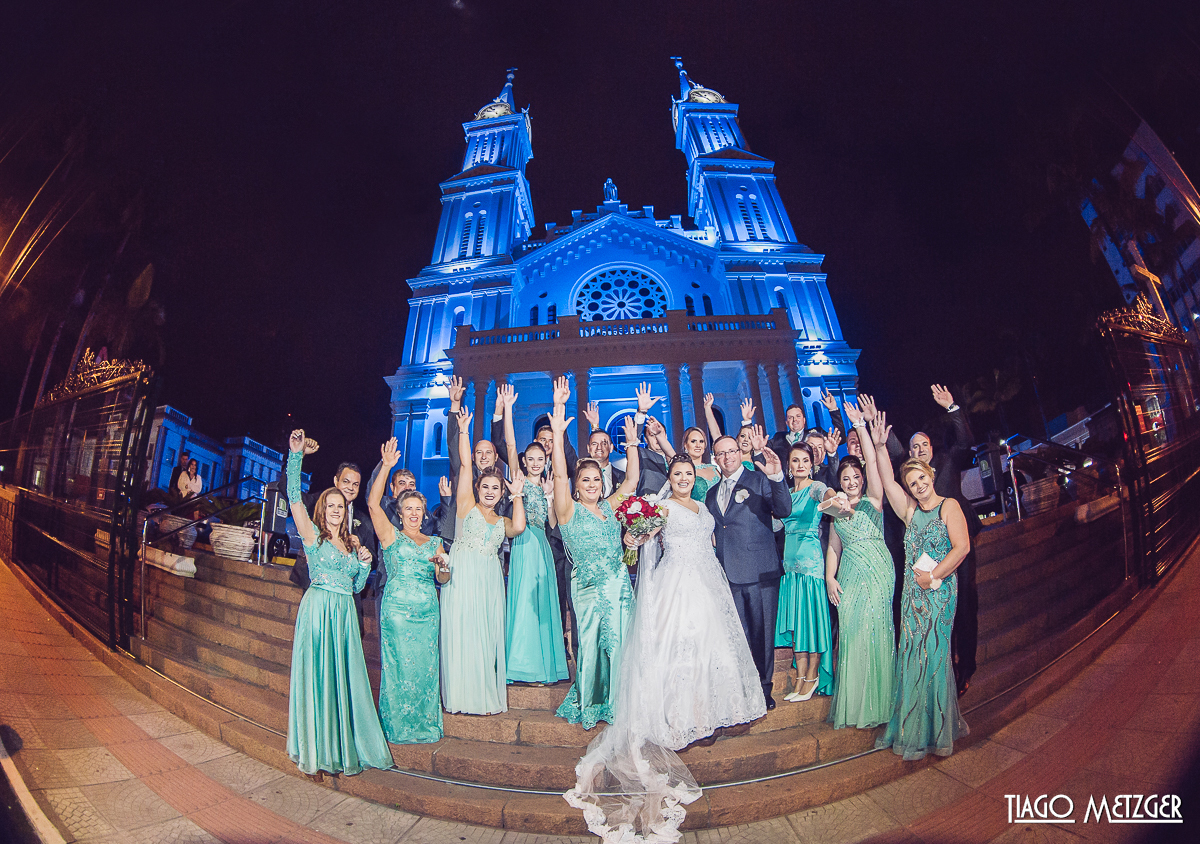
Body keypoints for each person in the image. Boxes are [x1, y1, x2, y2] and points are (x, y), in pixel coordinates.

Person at [564, 454, 765, 841]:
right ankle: (683, 717)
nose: (685, 478)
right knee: (682, 653)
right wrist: (632, 537)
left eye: (689, 473)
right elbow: (639, 536)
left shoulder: (701, 505)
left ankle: (712, 712)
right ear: (669, 478)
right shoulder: (662, 506)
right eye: (678, 474)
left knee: (713, 652)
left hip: (709, 583)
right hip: (678, 584)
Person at [283, 429, 392, 780]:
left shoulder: (352, 544)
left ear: (346, 510)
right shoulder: (314, 537)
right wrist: (296, 456)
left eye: (339, 506)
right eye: (329, 505)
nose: (334, 510)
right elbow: (293, 497)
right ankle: (317, 748)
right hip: (319, 613)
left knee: (343, 680)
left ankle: (343, 743)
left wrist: (362, 564)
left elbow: (359, 586)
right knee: (319, 678)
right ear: (323, 509)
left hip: (345, 614)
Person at [873, 411, 971, 760]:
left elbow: (962, 547)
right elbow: (887, 483)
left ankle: (938, 729)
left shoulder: (949, 506)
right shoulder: (910, 513)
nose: (918, 486)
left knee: (936, 655)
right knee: (913, 655)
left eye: (921, 479)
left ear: (930, 476)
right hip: (912, 596)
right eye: (912, 483)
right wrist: (881, 447)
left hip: (940, 593)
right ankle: (913, 726)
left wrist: (934, 576)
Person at [550, 399, 641, 728]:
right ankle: (592, 701)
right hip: (587, 588)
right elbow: (559, 474)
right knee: (591, 645)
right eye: (585, 480)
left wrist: (632, 442)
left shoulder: (611, 506)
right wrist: (559, 435)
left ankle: (620, 700)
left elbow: (631, 480)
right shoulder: (568, 510)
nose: (592, 485)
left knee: (620, 642)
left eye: (596, 481)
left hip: (619, 585)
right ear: (577, 485)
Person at [439, 408, 526, 715]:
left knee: (485, 636)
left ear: (501, 491)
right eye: (485, 487)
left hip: (489, 580)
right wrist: (464, 430)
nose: (490, 491)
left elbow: (519, 528)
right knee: (464, 632)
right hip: (463, 578)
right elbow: (465, 463)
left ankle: (483, 694)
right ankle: (463, 695)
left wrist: (517, 496)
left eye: (495, 488)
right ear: (478, 488)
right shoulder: (464, 505)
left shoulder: (502, 519)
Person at [366, 437, 448, 744]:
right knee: (399, 668)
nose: (414, 513)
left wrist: (443, 567)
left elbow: (442, 579)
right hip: (398, 612)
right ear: (399, 512)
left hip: (428, 614)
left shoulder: (434, 542)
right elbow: (373, 503)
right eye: (408, 508)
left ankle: (424, 725)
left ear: (425, 513)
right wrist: (386, 466)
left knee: (425, 671)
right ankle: (397, 726)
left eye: (418, 508)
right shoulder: (389, 536)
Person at [705, 426, 792, 710]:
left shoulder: (759, 479)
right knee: (737, 636)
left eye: (731, 451)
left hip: (760, 572)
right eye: (721, 453)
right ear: (715, 458)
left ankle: (764, 690)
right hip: (728, 574)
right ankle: (742, 688)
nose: (727, 456)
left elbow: (783, 510)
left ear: (740, 452)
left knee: (762, 635)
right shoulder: (711, 494)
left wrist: (777, 477)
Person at [824, 402, 896, 730]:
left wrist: (862, 427)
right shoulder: (837, 509)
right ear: (839, 481)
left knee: (878, 629)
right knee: (853, 633)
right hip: (849, 574)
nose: (851, 481)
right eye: (846, 477)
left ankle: (882, 701)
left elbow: (878, 470)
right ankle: (857, 702)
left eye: (856, 477)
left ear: (862, 479)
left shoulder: (874, 500)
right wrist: (829, 578)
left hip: (878, 570)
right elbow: (833, 547)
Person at [909, 384, 980, 697]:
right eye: (914, 447)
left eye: (923, 444)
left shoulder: (948, 462)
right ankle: (944, 665)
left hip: (957, 546)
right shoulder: (909, 478)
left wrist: (952, 408)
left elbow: (965, 441)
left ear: (931, 448)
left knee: (964, 605)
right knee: (940, 611)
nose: (919, 449)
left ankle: (966, 665)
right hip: (928, 555)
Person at [498, 385, 570, 685]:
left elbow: (553, 522)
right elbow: (510, 442)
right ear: (525, 461)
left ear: (546, 461)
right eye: (531, 458)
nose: (536, 462)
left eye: (541, 458)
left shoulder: (548, 485)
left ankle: (544, 666)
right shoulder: (518, 479)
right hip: (523, 543)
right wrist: (509, 409)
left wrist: (552, 498)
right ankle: (520, 666)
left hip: (541, 545)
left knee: (543, 603)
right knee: (523, 602)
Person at [775, 442, 833, 703]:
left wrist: (834, 497)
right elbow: (774, 522)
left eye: (805, 461)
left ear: (812, 464)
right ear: (789, 465)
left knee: (811, 621)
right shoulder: (785, 494)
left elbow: (827, 494)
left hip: (809, 565)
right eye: (795, 461)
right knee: (799, 624)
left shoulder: (815, 488)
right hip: (789, 567)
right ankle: (800, 677)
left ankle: (812, 676)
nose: (800, 465)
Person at [440, 375, 507, 544]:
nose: (484, 457)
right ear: (472, 456)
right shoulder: (466, 473)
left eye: (488, 453)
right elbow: (454, 445)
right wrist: (455, 404)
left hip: (492, 544)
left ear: (496, 456)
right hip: (463, 541)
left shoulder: (504, 483)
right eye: (479, 453)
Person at [583, 401, 625, 496]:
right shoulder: (578, 473)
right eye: (594, 444)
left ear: (611, 448)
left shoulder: (623, 477)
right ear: (588, 448)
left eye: (604, 443)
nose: (599, 448)